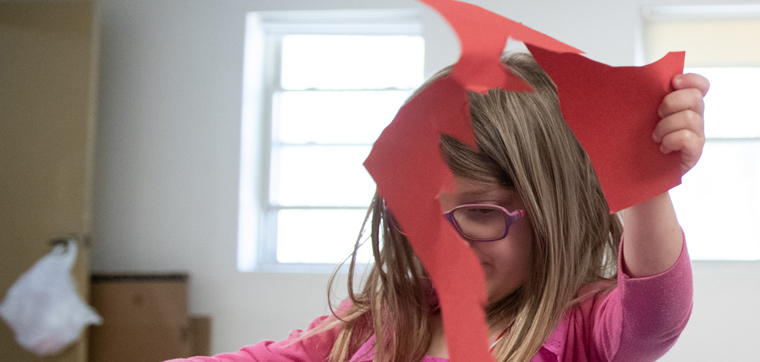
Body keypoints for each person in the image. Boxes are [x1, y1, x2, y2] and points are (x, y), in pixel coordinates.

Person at [184, 53, 708, 361]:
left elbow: (656, 312)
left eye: (481, 213)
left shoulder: (585, 327)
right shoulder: (383, 318)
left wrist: (643, 181)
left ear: (559, 213)